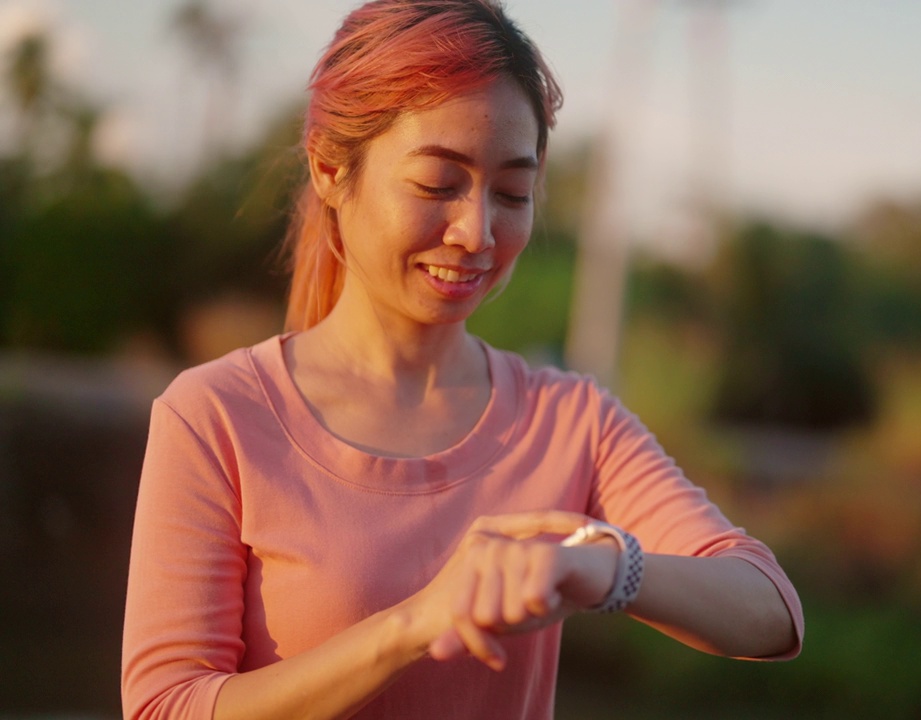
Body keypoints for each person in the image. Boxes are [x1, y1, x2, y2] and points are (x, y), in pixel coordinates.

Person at [120, 1, 803, 718]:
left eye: (512, 193)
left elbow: (769, 608)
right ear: (328, 169)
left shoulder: (571, 419)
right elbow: (167, 706)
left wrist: (597, 568)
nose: (476, 231)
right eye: (437, 185)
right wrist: (416, 624)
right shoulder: (217, 416)